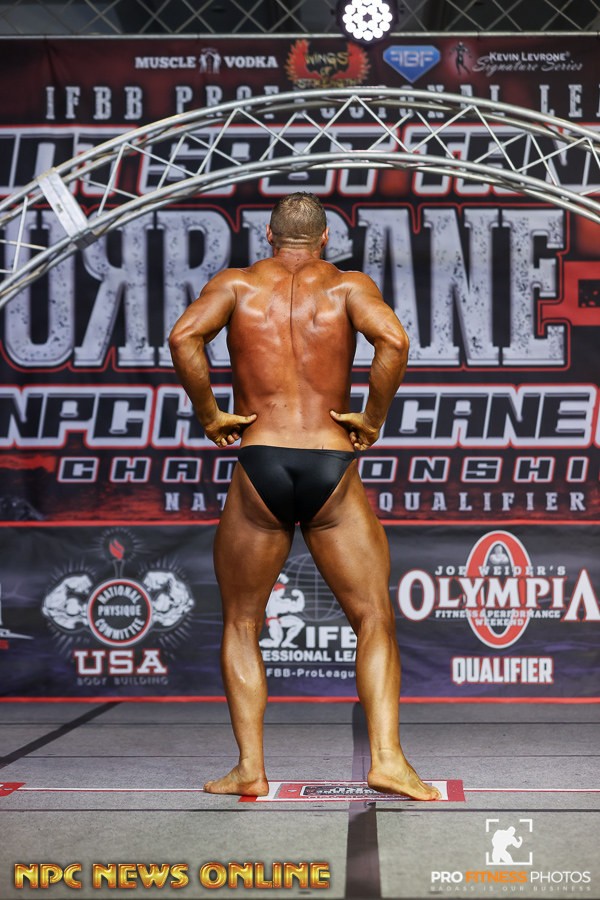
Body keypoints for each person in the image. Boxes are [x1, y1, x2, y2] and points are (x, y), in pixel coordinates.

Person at [169, 192, 440, 801]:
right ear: (323, 240)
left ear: (269, 236)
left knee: (242, 622)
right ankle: (388, 760)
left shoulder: (236, 285)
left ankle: (250, 768)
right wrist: (371, 419)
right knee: (373, 618)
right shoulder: (347, 287)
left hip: (260, 460)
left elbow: (184, 337)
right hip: (330, 461)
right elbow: (393, 341)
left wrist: (211, 415)